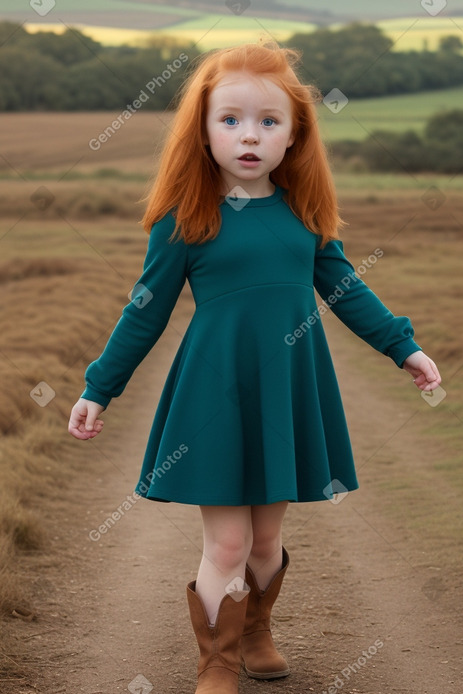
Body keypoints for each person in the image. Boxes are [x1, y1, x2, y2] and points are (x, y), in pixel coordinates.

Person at [68, 41, 441, 694]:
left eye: (268, 122)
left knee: (266, 543)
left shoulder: (305, 216)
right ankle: (215, 659)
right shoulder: (186, 218)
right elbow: (144, 313)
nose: (249, 136)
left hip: (286, 393)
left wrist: (402, 348)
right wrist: (100, 387)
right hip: (214, 395)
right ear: (204, 130)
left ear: (294, 135)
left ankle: (255, 631)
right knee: (229, 547)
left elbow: (346, 290)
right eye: (230, 119)